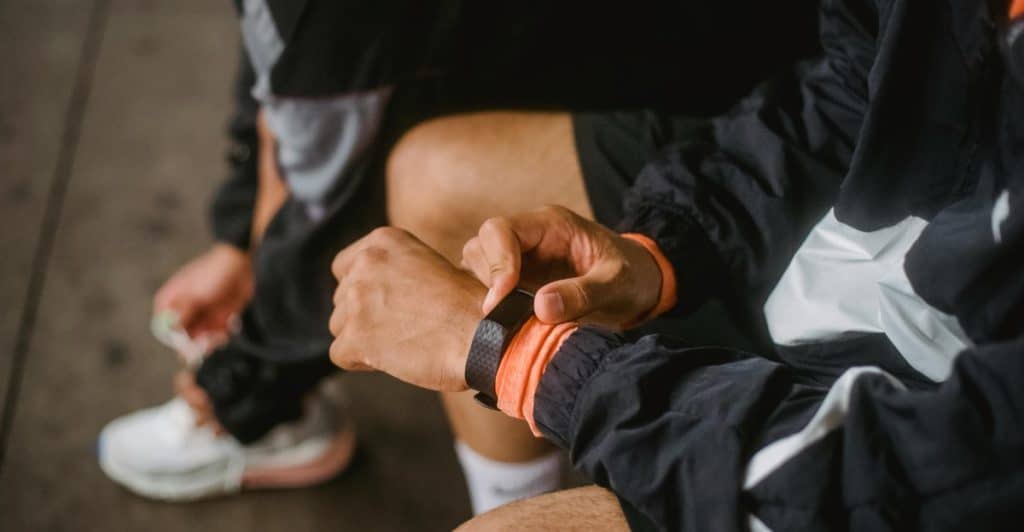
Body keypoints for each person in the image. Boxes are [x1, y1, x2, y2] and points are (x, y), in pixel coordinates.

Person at [327, 0, 1024, 529]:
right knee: (435, 178)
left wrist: (525, 361)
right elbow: (861, 82)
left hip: (932, 441)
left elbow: (913, 477)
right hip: (881, 278)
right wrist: (661, 252)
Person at [98, 0, 819, 511]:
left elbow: (323, 193)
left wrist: (243, 385)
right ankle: (510, 490)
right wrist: (237, 240)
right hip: (743, 115)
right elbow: (271, 57)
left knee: (437, 199)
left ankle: (491, 489)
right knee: (450, 203)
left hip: (735, 90)